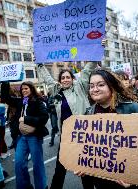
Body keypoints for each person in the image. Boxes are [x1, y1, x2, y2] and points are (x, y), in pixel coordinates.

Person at [75, 69, 138, 189]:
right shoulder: (89, 114)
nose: (95, 89)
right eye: (91, 86)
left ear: (112, 86)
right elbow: (89, 147)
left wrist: (136, 175)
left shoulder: (134, 110)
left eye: (100, 85)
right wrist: (85, 164)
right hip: (104, 182)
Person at [37, 61, 98, 189]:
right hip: (66, 137)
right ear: (60, 81)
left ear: (72, 79)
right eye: (63, 78)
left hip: (83, 135)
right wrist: (40, 64)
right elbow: (48, 79)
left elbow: (87, 70)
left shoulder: (79, 87)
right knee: (60, 168)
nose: (65, 80)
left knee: (84, 169)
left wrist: (95, 52)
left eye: (68, 77)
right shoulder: (57, 91)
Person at [1, 81, 49, 189]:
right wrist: (5, 82)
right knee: (19, 163)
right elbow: (5, 98)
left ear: (31, 89)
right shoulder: (21, 101)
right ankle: (25, 186)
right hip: (21, 137)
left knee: (37, 164)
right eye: (22, 89)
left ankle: (41, 186)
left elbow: (44, 117)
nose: (24, 91)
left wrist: (26, 119)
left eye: (26, 88)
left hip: (34, 136)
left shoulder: (38, 102)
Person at [0, 94, 9, 159]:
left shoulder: (1, 105)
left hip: (1, 125)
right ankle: (4, 151)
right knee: (1, 139)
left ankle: (1, 153)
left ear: (0, 99)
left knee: (1, 139)